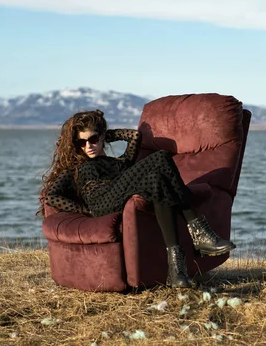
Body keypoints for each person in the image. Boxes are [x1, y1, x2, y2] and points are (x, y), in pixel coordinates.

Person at [39, 109, 235, 288]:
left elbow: (134, 136)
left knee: (156, 180)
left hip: (117, 196)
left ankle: (176, 270)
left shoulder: (118, 164)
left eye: (93, 139)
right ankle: (198, 230)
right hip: (100, 203)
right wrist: (86, 210)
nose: (88, 146)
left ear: (102, 137)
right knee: (160, 157)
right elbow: (51, 195)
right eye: (81, 142)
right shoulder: (75, 169)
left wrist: (108, 134)